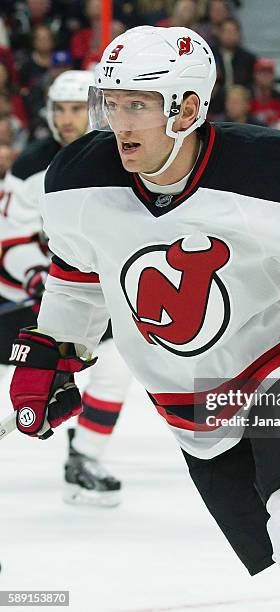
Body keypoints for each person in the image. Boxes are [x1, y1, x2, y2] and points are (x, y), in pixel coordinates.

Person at [9, 26, 280, 611]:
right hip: (195, 408)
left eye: (139, 105)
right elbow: (80, 277)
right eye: (112, 103)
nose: (119, 123)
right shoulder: (77, 178)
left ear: (187, 107)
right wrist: (53, 352)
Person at [2, 70, 132, 507]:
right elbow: (10, 241)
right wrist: (35, 274)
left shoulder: (118, 158)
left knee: (115, 365)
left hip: (87, 288)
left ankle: (86, 458)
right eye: (60, 108)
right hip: (28, 293)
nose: (68, 117)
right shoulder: (28, 167)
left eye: (77, 108)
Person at [250, 57, 280, 132]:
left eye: (268, 73)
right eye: (261, 73)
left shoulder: (279, 97)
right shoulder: (248, 95)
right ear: (255, 75)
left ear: (273, 75)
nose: (265, 76)